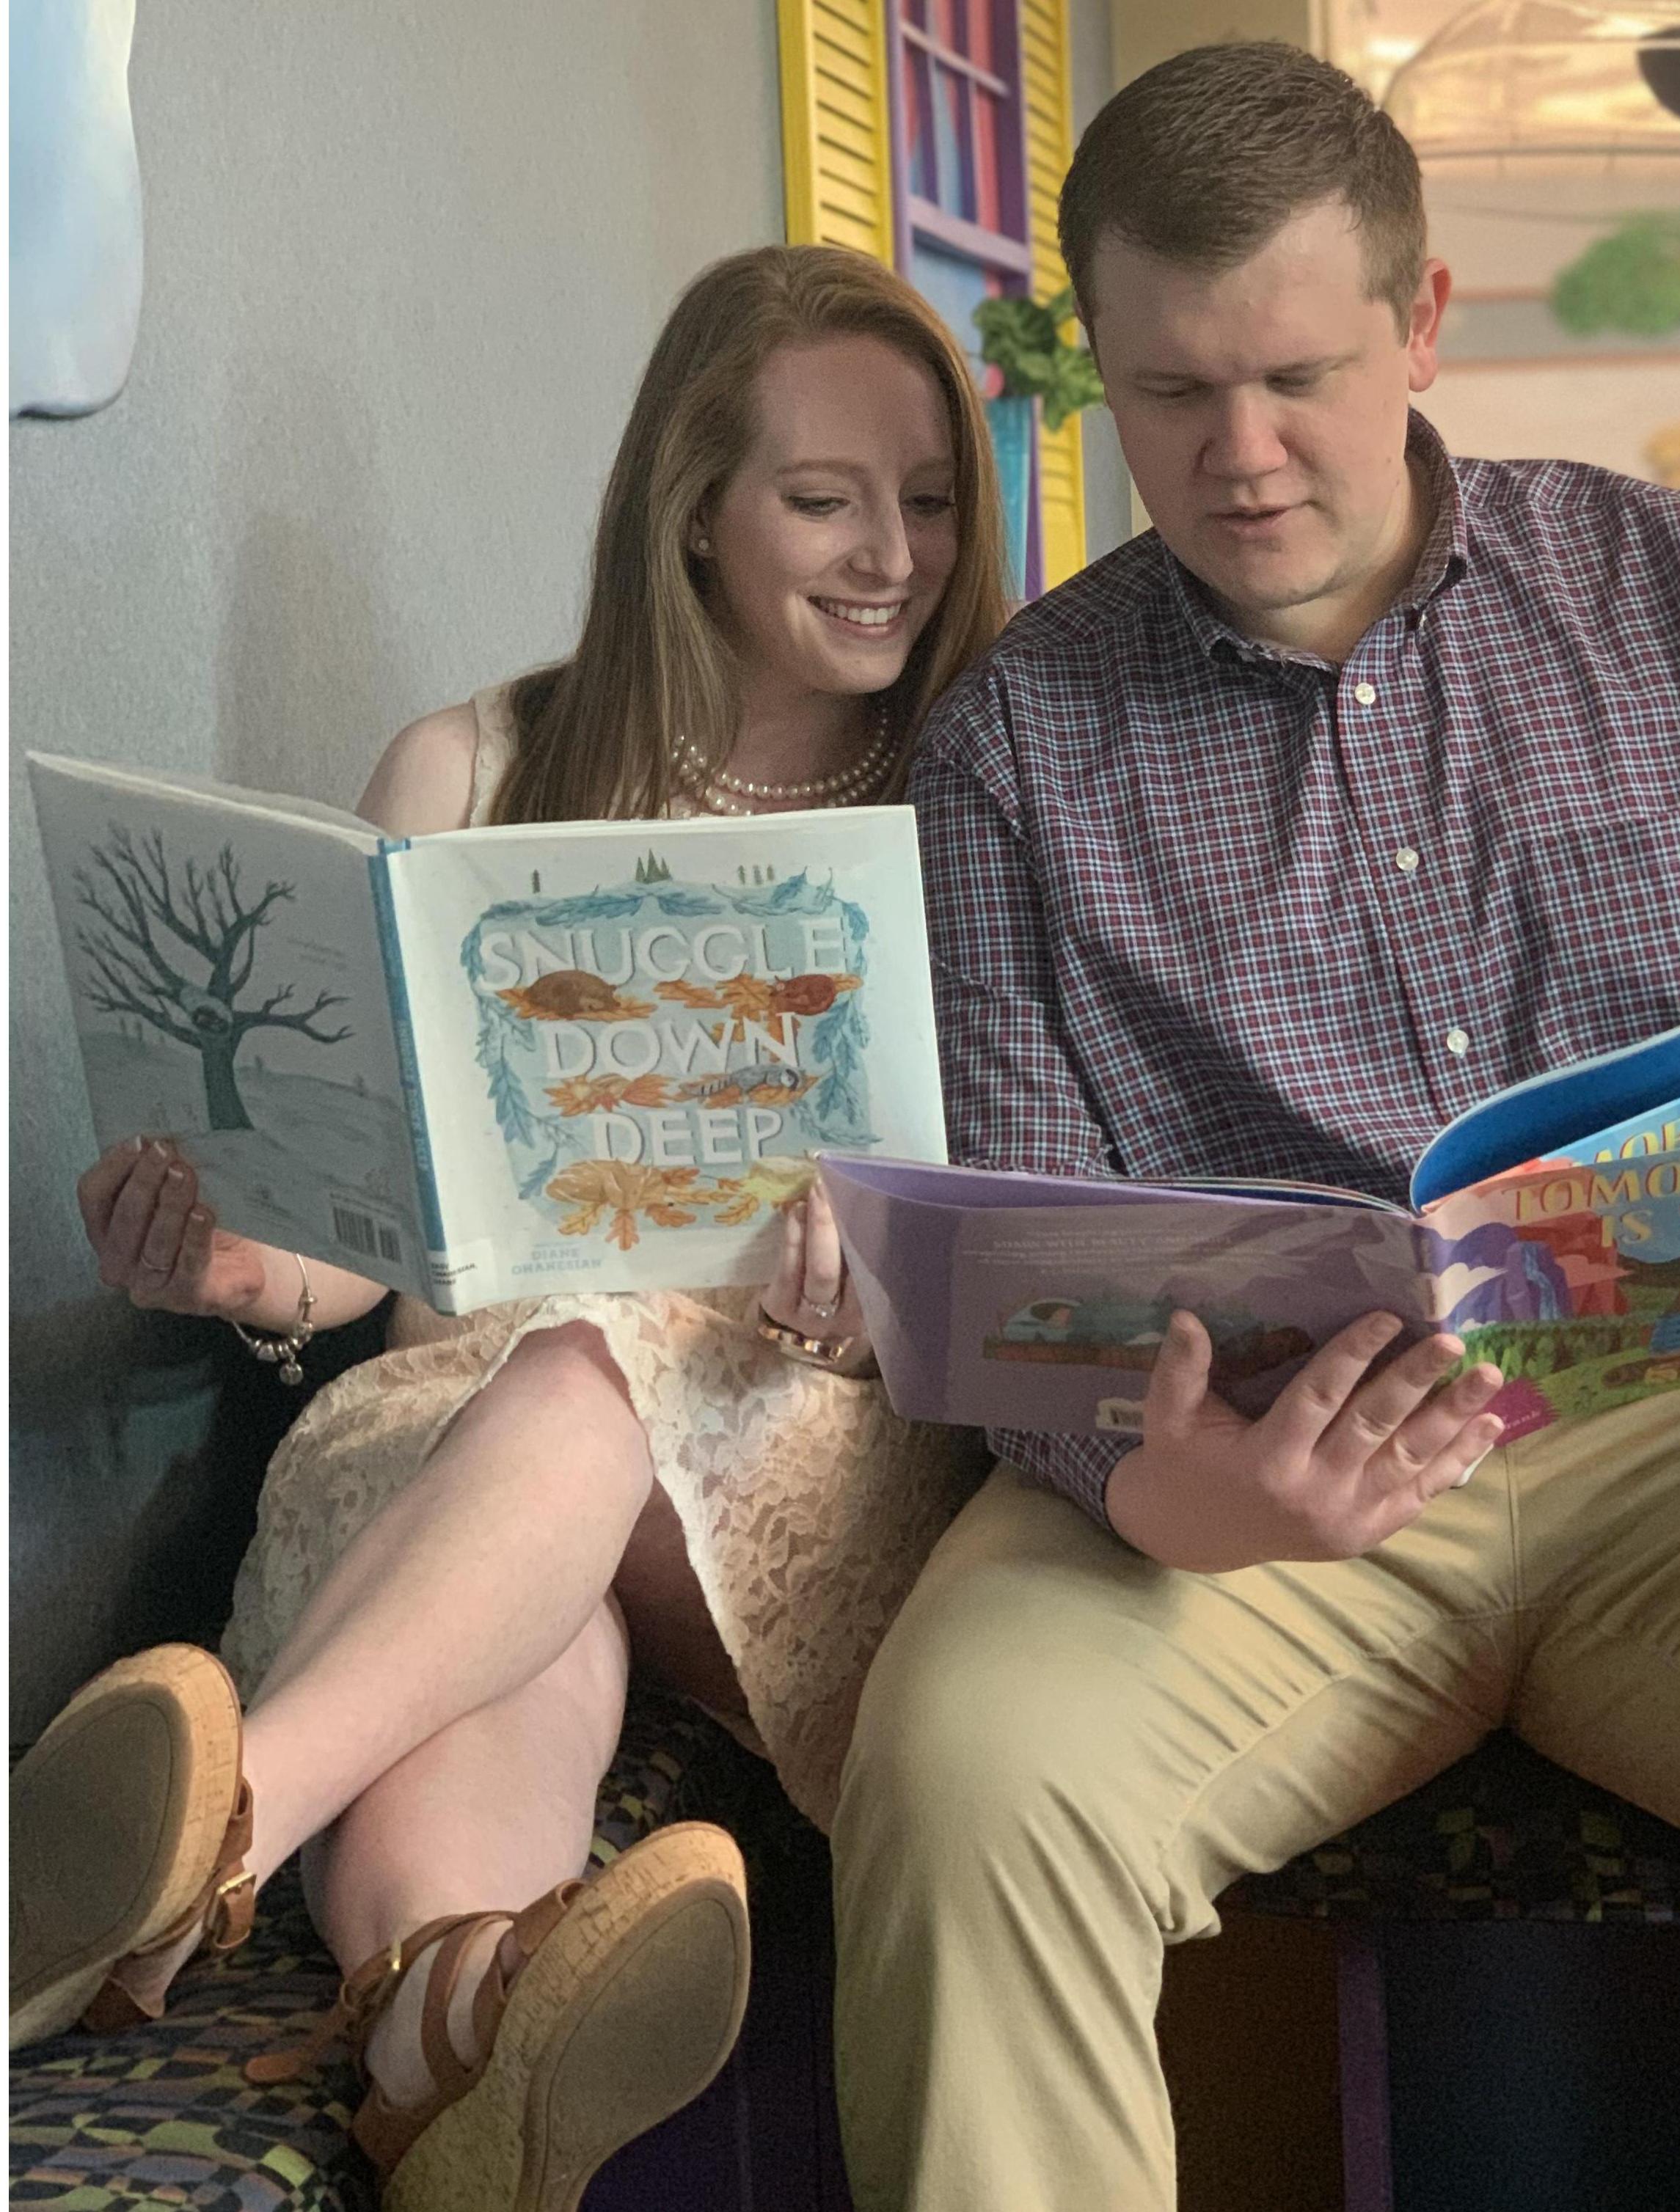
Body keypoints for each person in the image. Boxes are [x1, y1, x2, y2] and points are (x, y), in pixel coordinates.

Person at [831, 45, 1680, 2212]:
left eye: (1298, 371)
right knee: (966, 1770)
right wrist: (1151, 1473)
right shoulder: (1014, 747)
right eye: (1171, 393)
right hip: (1251, 1479)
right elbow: (1031, 1253)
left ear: (1428, 324)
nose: (1242, 454)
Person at [11, 244, 1005, 2208]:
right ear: (693, 512)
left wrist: (895, 1269)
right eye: (825, 498)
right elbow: (372, 1247)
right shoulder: (469, 770)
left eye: (928, 499)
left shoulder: (983, 795)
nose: (892, 550)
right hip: (460, 1437)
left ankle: (185, 1848)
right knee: (500, 1564)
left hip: (812, 1428)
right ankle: (449, 2031)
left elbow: (1048, 1215)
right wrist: (229, 1263)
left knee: (588, 1369)